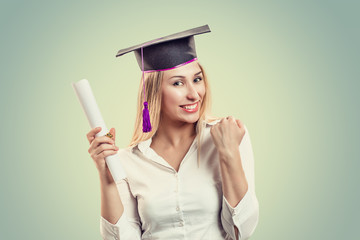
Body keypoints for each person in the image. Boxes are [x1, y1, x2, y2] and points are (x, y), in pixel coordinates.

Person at [86, 25, 259, 240]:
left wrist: (228, 153)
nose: (194, 94)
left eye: (197, 79)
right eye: (178, 83)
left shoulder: (229, 136)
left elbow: (241, 230)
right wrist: (107, 178)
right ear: (153, 91)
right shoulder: (127, 160)